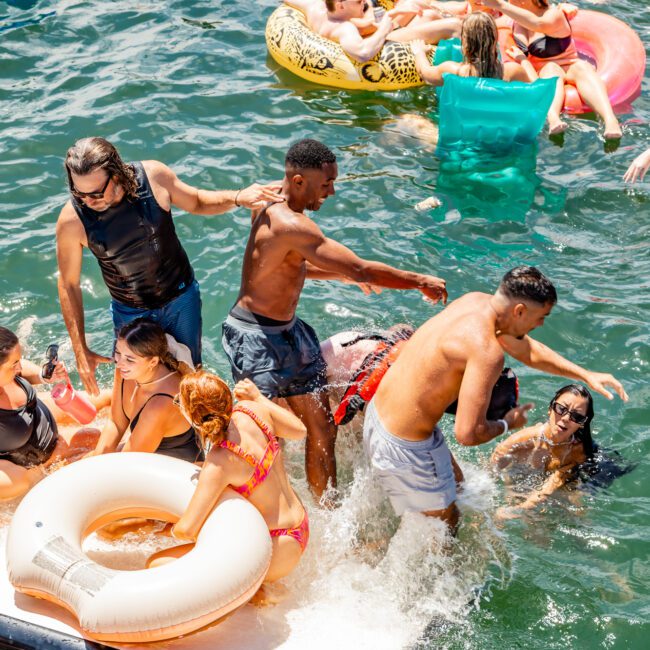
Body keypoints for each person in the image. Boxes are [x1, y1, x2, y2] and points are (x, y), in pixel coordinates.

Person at [222, 138, 448, 500]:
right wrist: (418, 281)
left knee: (322, 427)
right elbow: (361, 267)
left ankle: (326, 510)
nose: (332, 191)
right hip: (254, 338)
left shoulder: (275, 199)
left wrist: (339, 275)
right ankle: (261, 509)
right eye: (326, 184)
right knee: (262, 432)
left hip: (290, 333)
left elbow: (285, 266)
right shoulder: (291, 223)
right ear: (299, 181)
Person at [365, 266, 628, 531]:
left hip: (378, 415)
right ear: (520, 311)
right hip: (404, 446)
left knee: (459, 485)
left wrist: (585, 374)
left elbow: (527, 350)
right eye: (541, 317)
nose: (541, 325)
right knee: (446, 528)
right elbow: (467, 434)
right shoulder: (487, 352)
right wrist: (506, 423)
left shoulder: (473, 301)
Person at [56, 137, 282, 395]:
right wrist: (80, 350)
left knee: (190, 381)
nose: (88, 201)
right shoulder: (72, 220)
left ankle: (193, 431)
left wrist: (239, 197)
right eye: (79, 193)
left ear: (116, 175)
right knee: (134, 389)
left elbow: (196, 201)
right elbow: (68, 283)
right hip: (130, 312)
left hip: (180, 299)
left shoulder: (153, 177)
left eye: (96, 193)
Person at [147, 374, 309, 585]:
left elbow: (187, 530)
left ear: (194, 417)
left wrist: (158, 528)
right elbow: (300, 430)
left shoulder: (220, 461)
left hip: (274, 547)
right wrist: (259, 397)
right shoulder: (251, 409)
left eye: (180, 402)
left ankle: (261, 593)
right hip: (299, 525)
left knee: (156, 563)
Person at [477, 0, 621, 138]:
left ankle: (611, 121)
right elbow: (482, 23)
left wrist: (500, 5)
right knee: (551, 68)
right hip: (545, 71)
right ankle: (554, 119)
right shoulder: (512, 20)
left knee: (583, 67)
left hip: (570, 64)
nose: (508, 1)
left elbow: (538, 24)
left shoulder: (554, 15)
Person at [0, 326, 107, 499]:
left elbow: (22, 368)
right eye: (14, 364)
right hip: (40, 465)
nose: (19, 367)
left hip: (42, 420)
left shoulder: (9, 372)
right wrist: (43, 468)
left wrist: (43, 374)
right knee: (102, 443)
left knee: (104, 408)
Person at [89, 319, 204, 462]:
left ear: (153, 362)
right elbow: (116, 424)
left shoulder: (161, 403)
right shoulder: (125, 371)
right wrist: (97, 460)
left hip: (174, 467)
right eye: (118, 353)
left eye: (130, 359)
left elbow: (128, 464)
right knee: (85, 456)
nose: (119, 363)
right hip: (143, 451)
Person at [491, 383, 597, 517]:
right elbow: (494, 463)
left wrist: (520, 508)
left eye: (576, 417)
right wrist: (507, 490)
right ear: (550, 409)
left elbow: (552, 486)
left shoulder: (577, 451)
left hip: (570, 478)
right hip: (525, 474)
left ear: (582, 424)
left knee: (576, 509)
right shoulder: (526, 439)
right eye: (561, 408)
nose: (565, 418)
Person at [284, 0, 461, 63]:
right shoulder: (344, 29)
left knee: (424, 11)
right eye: (359, 1)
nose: (364, 3)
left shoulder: (315, 6)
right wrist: (384, 27)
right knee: (452, 25)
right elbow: (363, 53)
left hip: (375, 31)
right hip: (384, 47)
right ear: (340, 5)